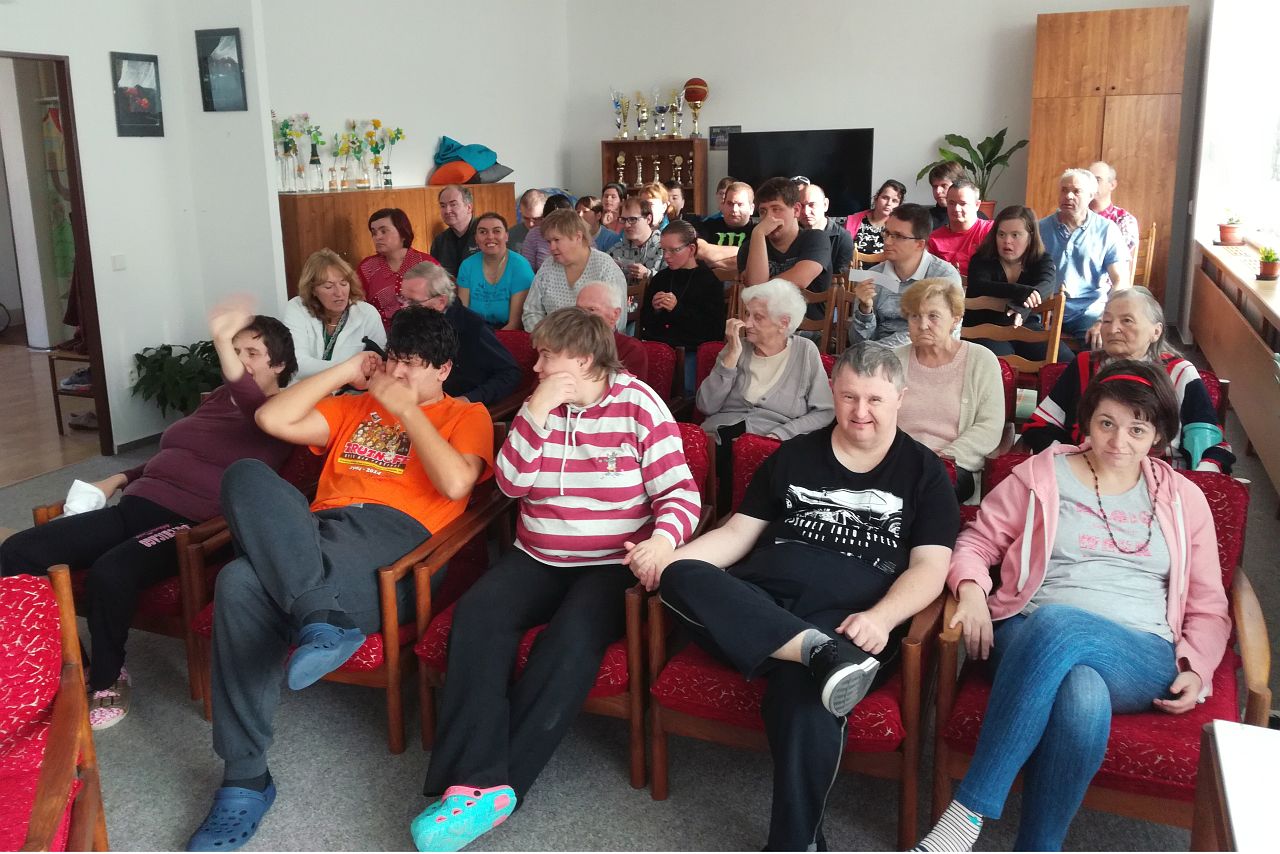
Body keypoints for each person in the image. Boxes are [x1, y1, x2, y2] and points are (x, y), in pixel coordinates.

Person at [186, 306, 494, 852]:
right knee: (244, 477)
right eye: (395, 360)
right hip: (317, 535)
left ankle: (245, 776)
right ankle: (315, 626)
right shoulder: (356, 405)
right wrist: (348, 370)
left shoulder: (465, 415)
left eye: (414, 365)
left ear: (444, 370)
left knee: (238, 580)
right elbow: (272, 419)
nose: (399, 374)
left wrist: (409, 411)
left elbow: (454, 484)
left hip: (395, 550)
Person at [411, 307, 700, 852]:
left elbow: (680, 494)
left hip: (611, 562)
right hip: (538, 554)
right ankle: (474, 780)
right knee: (477, 616)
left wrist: (663, 541)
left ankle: (500, 785)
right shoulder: (537, 405)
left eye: (546, 355)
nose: (536, 365)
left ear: (584, 361)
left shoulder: (640, 405)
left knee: (570, 639)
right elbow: (511, 487)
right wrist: (536, 412)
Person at [656, 342, 960, 851]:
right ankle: (813, 651)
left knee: (808, 701)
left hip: (850, 621)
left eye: (875, 399)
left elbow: (930, 568)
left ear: (900, 398)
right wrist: (665, 557)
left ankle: (794, 843)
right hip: (761, 602)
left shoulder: (925, 473)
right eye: (849, 397)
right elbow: (736, 534)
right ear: (832, 393)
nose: (860, 411)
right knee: (681, 573)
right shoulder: (795, 455)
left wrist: (882, 618)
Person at [916, 360, 1228, 853]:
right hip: (1027, 632)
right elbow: (977, 541)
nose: (1118, 441)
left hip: (1141, 651)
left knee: (1061, 625)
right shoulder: (1043, 475)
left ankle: (967, 812)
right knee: (1081, 693)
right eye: (1107, 423)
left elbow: (1210, 603)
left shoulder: (1183, 499)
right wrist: (972, 589)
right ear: (1087, 421)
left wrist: (1197, 666)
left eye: (1137, 429)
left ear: (1158, 435)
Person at [0, 307, 296, 731]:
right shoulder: (218, 398)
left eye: (251, 352)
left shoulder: (278, 410)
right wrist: (119, 477)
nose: (239, 361)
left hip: (189, 524)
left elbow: (248, 396)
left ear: (279, 364)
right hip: (135, 506)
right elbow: (175, 454)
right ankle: (68, 663)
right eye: (235, 351)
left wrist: (221, 339)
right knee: (18, 552)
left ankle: (107, 678)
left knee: (110, 572)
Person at [1023, 287, 1234, 473]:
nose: (1112, 329)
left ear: (1156, 331)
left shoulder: (1180, 373)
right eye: (1106, 320)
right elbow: (1040, 425)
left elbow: (1209, 443)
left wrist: (1196, 482)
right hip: (1090, 475)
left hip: (1163, 481)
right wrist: (1066, 464)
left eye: (1126, 321)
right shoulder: (1084, 365)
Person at [697, 279, 835, 505]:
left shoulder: (805, 351)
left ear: (783, 323)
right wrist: (730, 359)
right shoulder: (736, 347)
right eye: (747, 314)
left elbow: (825, 412)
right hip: (721, 435)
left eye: (758, 317)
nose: (747, 323)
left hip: (772, 440)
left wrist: (782, 433)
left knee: (750, 464)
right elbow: (706, 405)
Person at [892, 279, 1005, 501]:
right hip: (896, 460)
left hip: (953, 466)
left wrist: (942, 459)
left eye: (933, 316)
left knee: (928, 489)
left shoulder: (982, 360)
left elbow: (989, 426)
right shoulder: (894, 359)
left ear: (955, 319)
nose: (923, 325)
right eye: (915, 316)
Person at [399, 262, 521, 407]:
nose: (403, 307)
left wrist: (469, 399)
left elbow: (510, 373)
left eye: (412, 302)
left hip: (456, 406)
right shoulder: (408, 321)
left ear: (441, 302)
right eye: (402, 298)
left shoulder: (473, 327)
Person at [965, 205, 1073, 363]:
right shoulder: (981, 259)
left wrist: (1021, 307)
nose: (1007, 241)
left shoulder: (1041, 259)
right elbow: (980, 285)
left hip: (1026, 325)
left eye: (1015, 235)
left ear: (1030, 237)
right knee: (1002, 365)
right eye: (1001, 234)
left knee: (1067, 361)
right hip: (985, 329)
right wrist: (1021, 292)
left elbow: (1046, 284)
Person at [1039, 168, 1131, 348]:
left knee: (1098, 347)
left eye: (1076, 191)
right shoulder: (1040, 228)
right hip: (1046, 308)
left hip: (1087, 310)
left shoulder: (1106, 230)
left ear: (1091, 195)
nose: (1068, 196)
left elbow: (1121, 281)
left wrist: (1104, 319)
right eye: (1064, 190)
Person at [849, 203, 961, 349]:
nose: (887, 241)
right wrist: (865, 311)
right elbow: (856, 342)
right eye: (886, 233)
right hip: (876, 358)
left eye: (898, 236)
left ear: (920, 244)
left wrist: (878, 351)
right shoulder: (874, 275)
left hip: (924, 356)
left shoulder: (944, 277)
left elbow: (943, 336)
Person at [638, 220, 726, 390]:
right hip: (659, 346)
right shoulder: (660, 279)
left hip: (691, 349)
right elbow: (645, 323)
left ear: (691, 249)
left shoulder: (708, 281)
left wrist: (677, 309)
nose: (666, 256)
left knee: (687, 388)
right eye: (663, 250)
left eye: (673, 250)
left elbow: (714, 330)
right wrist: (655, 310)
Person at [284, 249, 387, 383]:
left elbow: (380, 362)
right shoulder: (297, 307)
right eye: (328, 286)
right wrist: (350, 369)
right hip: (304, 389)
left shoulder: (367, 313)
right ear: (313, 289)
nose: (339, 293)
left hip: (351, 390)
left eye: (344, 284)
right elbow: (297, 363)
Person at [739, 177, 832, 322]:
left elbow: (800, 280)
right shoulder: (749, 247)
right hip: (764, 328)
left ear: (796, 210)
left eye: (776, 209)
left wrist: (760, 288)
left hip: (809, 328)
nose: (769, 218)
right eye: (763, 211)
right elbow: (754, 288)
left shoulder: (816, 239)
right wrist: (758, 233)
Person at [523, 209, 628, 332]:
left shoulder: (605, 267)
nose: (551, 247)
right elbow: (531, 311)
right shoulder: (548, 266)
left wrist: (578, 341)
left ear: (578, 237)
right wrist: (544, 336)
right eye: (549, 241)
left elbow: (617, 321)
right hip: (551, 339)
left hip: (595, 341)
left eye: (557, 240)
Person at [357, 207, 440, 328]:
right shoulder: (366, 267)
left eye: (384, 231)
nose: (377, 237)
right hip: (379, 334)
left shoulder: (426, 263)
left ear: (403, 233)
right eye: (374, 233)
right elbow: (359, 308)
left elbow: (442, 304)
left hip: (423, 333)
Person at [455, 212, 534, 330]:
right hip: (475, 331)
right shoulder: (467, 265)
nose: (490, 237)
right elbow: (463, 315)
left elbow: (515, 324)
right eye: (483, 232)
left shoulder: (520, 266)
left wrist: (490, 340)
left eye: (496, 231)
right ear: (476, 238)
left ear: (506, 236)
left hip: (508, 332)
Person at [575, 280, 649, 379]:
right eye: (578, 309)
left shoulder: (631, 350)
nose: (581, 316)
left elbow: (628, 388)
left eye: (591, 310)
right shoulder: (566, 342)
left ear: (615, 314)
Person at [927, 177, 994, 277]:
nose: (956, 209)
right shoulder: (933, 239)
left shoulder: (992, 230)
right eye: (951, 203)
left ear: (977, 205)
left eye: (963, 204)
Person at [695, 181, 755, 278]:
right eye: (730, 203)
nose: (734, 209)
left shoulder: (757, 231)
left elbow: (754, 264)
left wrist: (711, 263)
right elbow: (699, 251)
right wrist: (743, 252)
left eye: (740, 204)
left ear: (751, 208)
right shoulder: (708, 225)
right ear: (723, 205)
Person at [608, 195, 665, 290]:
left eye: (632, 219)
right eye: (623, 220)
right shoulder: (614, 251)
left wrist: (648, 274)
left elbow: (671, 281)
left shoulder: (664, 248)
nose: (626, 225)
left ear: (648, 219)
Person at [1089, 160, 1140, 264]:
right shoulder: (1075, 215)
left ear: (1112, 185)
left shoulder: (1124, 219)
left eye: (1097, 180)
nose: (1091, 184)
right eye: (1088, 179)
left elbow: (1119, 259)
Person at [799, 182, 854, 277]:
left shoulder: (842, 238)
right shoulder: (791, 234)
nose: (806, 212)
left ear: (825, 205)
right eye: (801, 206)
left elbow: (840, 279)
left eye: (812, 205)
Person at [843, 179, 906, 257]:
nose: (889, 203)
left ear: (899, 206)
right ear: (876, 198)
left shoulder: (900, 227)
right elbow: (842, 251)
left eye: (894, 201)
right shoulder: (853, 220)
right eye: (885, 198)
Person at [429, 185, 478, 277]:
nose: (447, 211)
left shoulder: (486, 234)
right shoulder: (439, 242)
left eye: (453, 204)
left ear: (469, 208)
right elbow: (435, 278)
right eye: (443, 206)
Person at [926, 162, 989, 231]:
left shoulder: (979, 218)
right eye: (935, 187)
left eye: (944, 186)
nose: (938, 191)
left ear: (958, 185)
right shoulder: (924, 218)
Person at [520, 193, 573, 273]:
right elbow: (527, 271)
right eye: (552, 222)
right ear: (544, 219)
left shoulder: (581, 234)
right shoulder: (535, 235)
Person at [507, 188, 547, 256]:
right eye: (526, 218)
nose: (530, 224)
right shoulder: (511, 235)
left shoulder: (555, 235)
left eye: (536, 219)